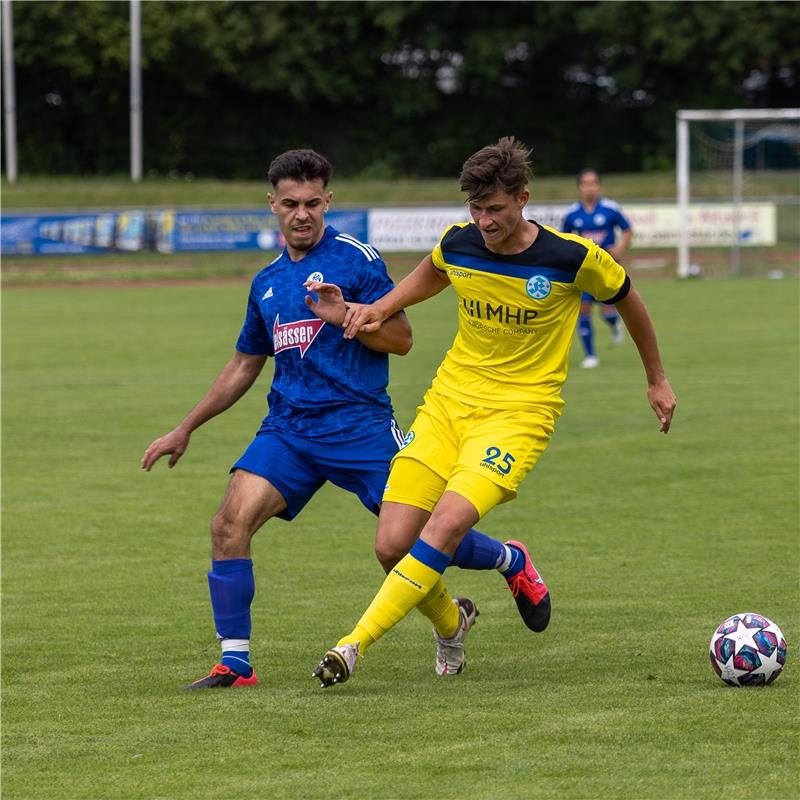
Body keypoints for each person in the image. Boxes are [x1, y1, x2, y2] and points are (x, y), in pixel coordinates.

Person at [141, 148, 552, 690]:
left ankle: (505, 557)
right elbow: (245, 363)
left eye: (313, 202)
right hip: (288, 431)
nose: (302, 213)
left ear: (328, 201)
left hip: (360, 427)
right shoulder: (265, 281)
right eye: (290, 203)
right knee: (228, 524)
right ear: (272, 205)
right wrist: (186, 426)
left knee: (407, 540)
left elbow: (402, 339)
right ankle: (235, 663)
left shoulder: (356, 260)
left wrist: (351, 321)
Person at [312, 137, 676, 688]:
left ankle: (351, 646)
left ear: (523, 199)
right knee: (391, 545)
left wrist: (656, 378)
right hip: (447, 405)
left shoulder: (568, 256)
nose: (484, 221)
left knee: (448, 523)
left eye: (496, 210)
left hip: (519, 415)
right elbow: (435, 270)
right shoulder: (461, 243)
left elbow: (627, 296)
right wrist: (375, 309)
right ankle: (464, 613)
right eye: (476, 209)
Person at [561, 168, 634, 368]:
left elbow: (627, 230)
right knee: (583, 310)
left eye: (593, 183)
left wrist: (619, 248)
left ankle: (614, 324)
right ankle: (590, 356)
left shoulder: (610, 209)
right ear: (580, 187)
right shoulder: (572, 214)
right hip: (584, 270)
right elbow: (564, 239)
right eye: (585, 183)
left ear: (599, 186)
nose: (589, 187)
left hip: (607, 269)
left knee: (607, 311)